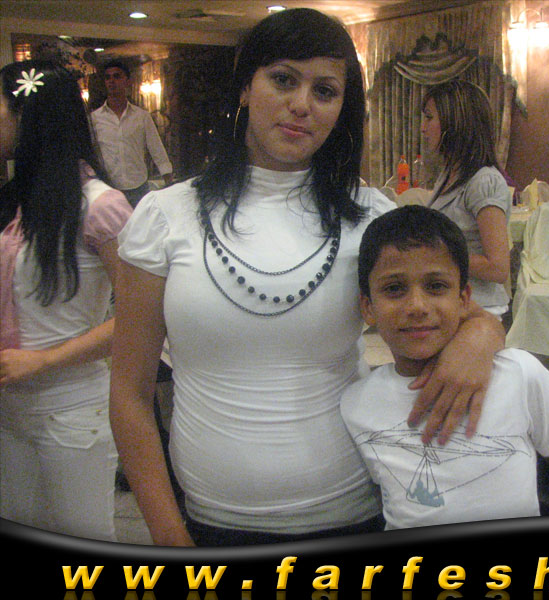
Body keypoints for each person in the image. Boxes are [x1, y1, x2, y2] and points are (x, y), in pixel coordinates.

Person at [109, 8, 505, 547]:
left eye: (325, 91)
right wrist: (166, 532)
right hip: (209, 523)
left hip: (355, 510)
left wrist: (480, 338)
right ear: (246, 87)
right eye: (283, 79)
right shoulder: (165, 216)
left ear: (342, 108)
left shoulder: (370, 215)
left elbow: (469, 314)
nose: (302, 104)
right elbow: (130, 393)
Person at [341, 205, 549, 529]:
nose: (417, 306)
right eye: (394, 289)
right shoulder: (355, 404)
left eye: (436, 286)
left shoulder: (519, 375)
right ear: (368, 307)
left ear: (464, 298)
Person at [0, 60, 132, 540]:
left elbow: (141, 318)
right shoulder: (17, 201)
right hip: (9, 406)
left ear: (27, 115)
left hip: (71, 407)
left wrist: (45, 360)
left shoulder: (99, 206)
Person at [421, 80, 511, 317]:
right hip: (454, 303)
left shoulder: (483, 181)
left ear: (454, 122)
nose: (423, 128)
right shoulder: (450, 175)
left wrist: (433, 254)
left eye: (429, 117)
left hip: (479, 309)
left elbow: (498, 267)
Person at [91, 59, 173, 207]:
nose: (111, 81)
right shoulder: (95, 119)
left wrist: (168, 181)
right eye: (108, 77)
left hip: (138, 189)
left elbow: (157, 149)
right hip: (109, 189)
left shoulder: (141, 117)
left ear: (127, 81)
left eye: (117, 76)